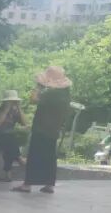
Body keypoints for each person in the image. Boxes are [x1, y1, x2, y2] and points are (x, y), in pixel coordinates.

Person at [13, 66, 72, 194]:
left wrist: (39, 86)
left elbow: (33, 99)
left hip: (42, 128)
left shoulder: (51, 94)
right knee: (50, 157)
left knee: (35, 155)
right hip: (54, 129)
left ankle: (27, 184)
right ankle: (49, 184)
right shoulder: (65, 95)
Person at [0, 90, 26, 180]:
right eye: (10, 102)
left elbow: (24, 123)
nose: (12, 104)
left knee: (10, 143)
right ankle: (18, 158)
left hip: (7, 139)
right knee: (10, 140)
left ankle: (8, 172)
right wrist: (6, 109)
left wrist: (19, 108)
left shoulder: (14, 112)